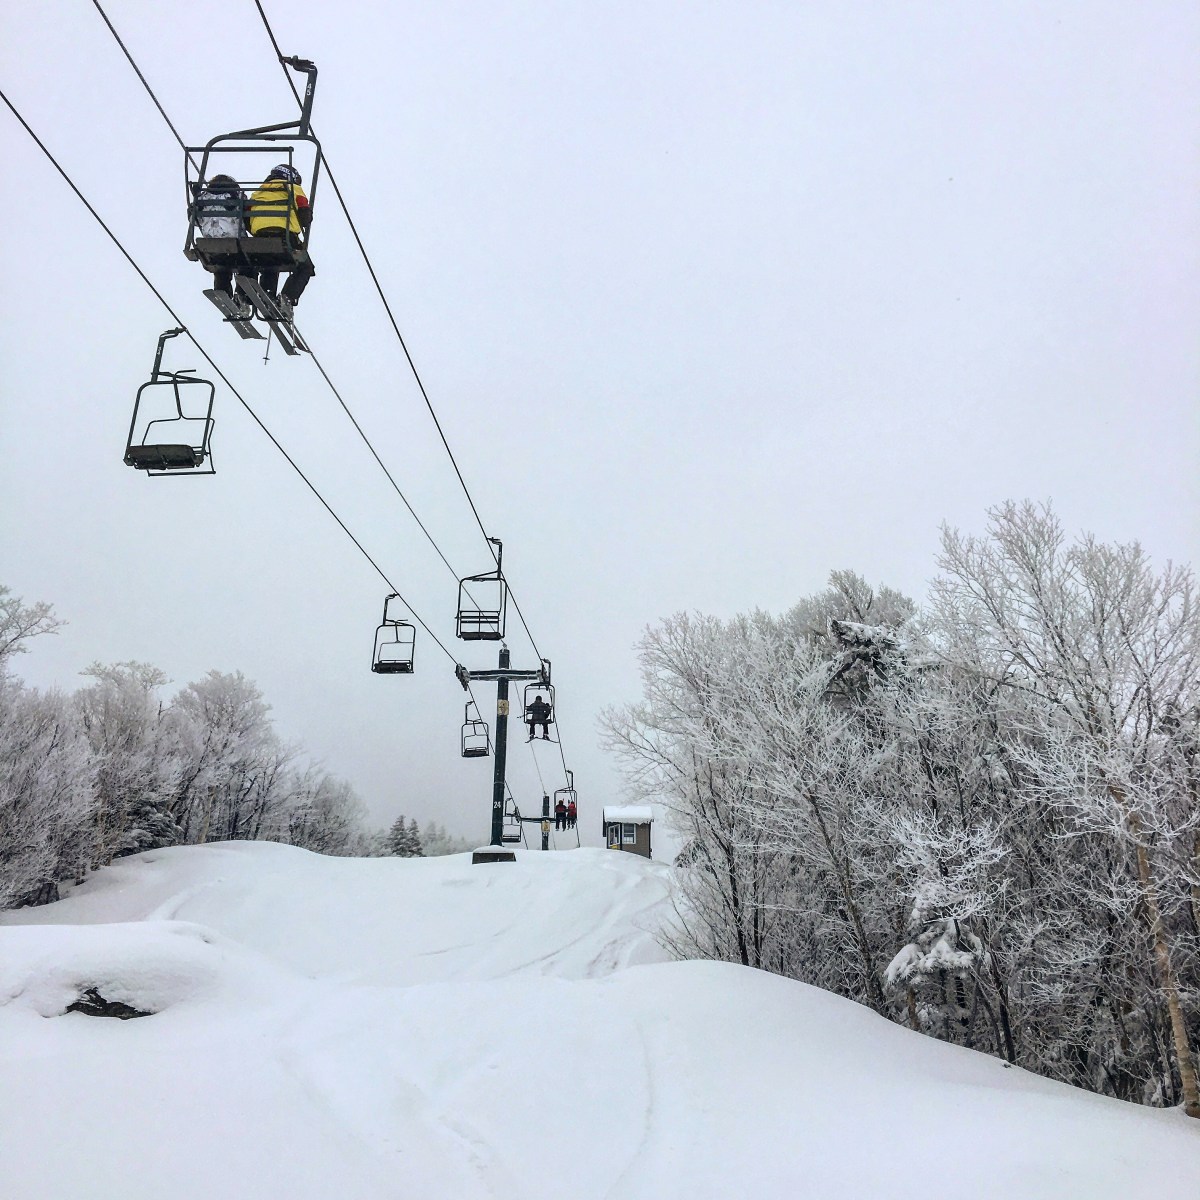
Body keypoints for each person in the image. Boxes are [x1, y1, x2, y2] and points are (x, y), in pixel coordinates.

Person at [249, 164, 315, 312]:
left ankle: (267, 294)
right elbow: (305, 217)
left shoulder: (258, 192)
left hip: (260, 237)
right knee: (305, 267)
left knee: (270, 262)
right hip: (285, 237)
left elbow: (247, 217)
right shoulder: (294, 188)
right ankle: (287, 298)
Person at [193, 174, 249, 309]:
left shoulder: (202, 198)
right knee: (248, 264)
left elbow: (194, 221)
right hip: (235, 242)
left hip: (211, 244)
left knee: (221, 267)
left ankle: (222, 292)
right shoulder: (236, 195)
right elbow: (247, 217)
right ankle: (242, 296)